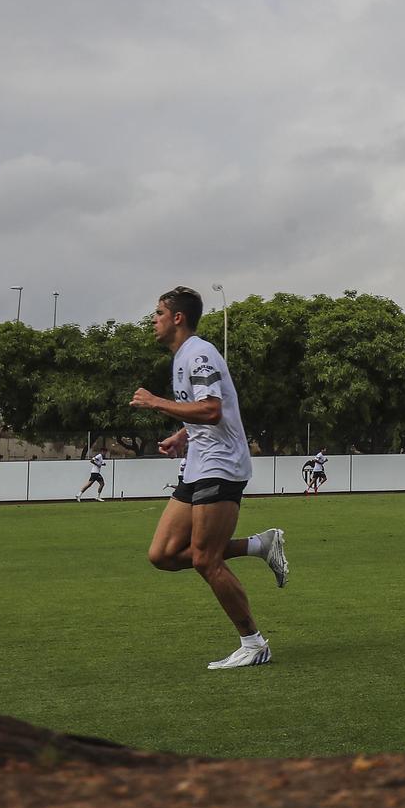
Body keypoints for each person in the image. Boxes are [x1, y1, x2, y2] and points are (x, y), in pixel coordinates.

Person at [132, 286, 288, 669]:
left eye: (158, 313)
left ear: (177, 318)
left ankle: (254, 644)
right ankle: (259, 546)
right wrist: (181, 436)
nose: (154, 320)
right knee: (163, 555)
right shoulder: (184, 356)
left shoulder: (199, 353)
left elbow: (213, 410)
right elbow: (208, 412)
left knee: (205, 559)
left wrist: (156, 402)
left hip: (222, 464)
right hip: (200, 462)